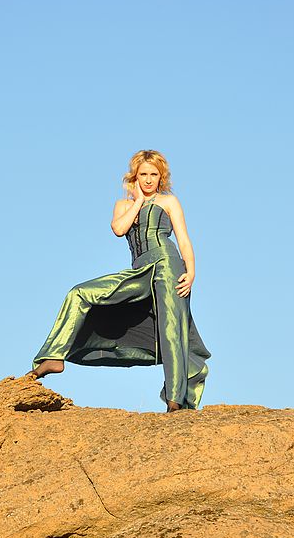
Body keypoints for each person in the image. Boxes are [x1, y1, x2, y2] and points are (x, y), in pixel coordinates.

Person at [25, 149, 211, 412]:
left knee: (171, 330)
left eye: (154, 175)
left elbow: (183, 239)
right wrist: (137, 201)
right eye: (143, 174)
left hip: (169, 266)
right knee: (79, 293)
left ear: (161, 177)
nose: (148, 180)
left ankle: (175, 402)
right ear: (134, 177)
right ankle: (53, 357)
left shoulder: (169, 202)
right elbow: (119, 229)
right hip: (139, 270)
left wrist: (191, 272)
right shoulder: (123, 205)